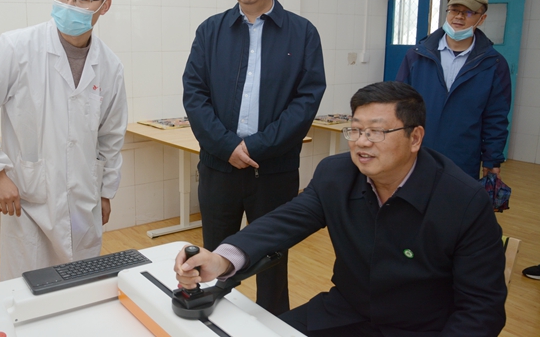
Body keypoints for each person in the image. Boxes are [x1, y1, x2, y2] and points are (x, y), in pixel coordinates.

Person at [175, 81, 507, 336]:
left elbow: (482, 308)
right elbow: (284, 222)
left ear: (415, 138)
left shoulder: (463, 200)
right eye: (356, 130)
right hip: (344, 312)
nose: (362, 142)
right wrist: (222, 259)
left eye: (376, 132)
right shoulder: (337, 174)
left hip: (421, 327)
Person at [0, 0, 127, 281]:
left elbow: (111, 136)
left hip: (83, 204)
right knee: (26, 289)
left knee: (79, 286)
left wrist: (106, 192)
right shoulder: (16, 48)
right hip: (28, 201)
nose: (69, 5)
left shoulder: (110, 66)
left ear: (104, 6)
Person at [182, 0, 325, 315]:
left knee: (272, 261)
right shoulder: (210, 31)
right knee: (213, 259)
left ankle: (272, 324)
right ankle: (211, 320)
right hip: (219, 167)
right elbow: (194, 95)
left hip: (273, 170)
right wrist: (227, 146)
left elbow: (306, 100)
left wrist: (256, 146)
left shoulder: (302, 33)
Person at [396, 0, 511, 180]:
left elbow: (496, 117)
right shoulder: (417, 56)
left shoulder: (493, 64)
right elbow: (399, 103)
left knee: (457, 199)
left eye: (468, 12)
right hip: (416, 153)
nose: (459, 17)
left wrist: (492, 159)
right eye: (454, 10)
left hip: (463, 158)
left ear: (482, 18)